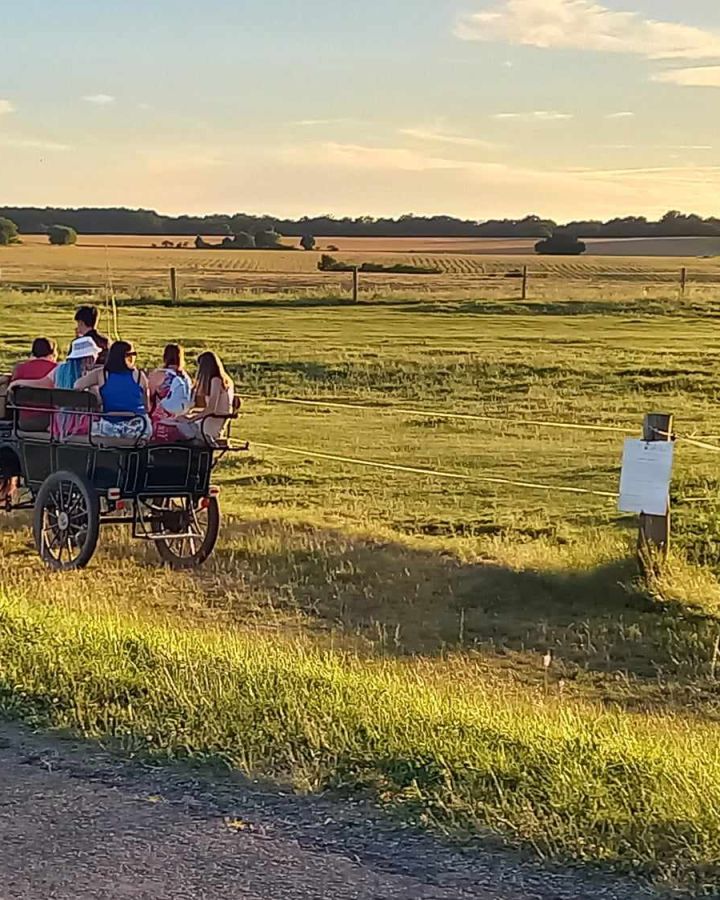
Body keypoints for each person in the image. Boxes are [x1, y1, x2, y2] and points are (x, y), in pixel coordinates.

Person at [10, 335, 101, 438]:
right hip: (84, 425)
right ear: (90, 358)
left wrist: (17, 382)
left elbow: (42, 383)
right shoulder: (94, 375)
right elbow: (98, 401)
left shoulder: (59, 371)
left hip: (60, 424)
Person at [75, 340, 151, 440]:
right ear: (127, 357)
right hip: (138, 429)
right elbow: (147, 407)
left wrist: (95, 390)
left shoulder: (101, 374)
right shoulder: (140, 376)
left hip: (110, 428)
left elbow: (77, 385)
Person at [176, 351, 235, 444]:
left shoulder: (216, 380)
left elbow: (211, 409)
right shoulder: (226, 381)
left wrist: (191, 419)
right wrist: (193, 414)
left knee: (177, 426)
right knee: (181, 422)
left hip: (210, 424)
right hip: (214, 420)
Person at [148, 343, 193, 442]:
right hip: (181, 424)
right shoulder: (186, 378)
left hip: (161, 424)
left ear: (165, 357)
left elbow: (149, 398)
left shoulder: (159, 375)